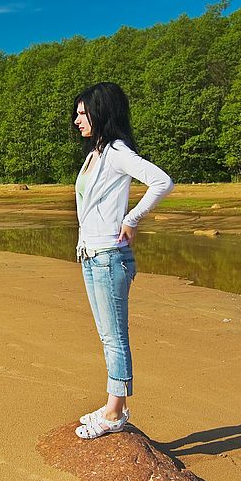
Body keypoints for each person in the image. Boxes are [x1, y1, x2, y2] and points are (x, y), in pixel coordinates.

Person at [72, 82, 174, 439]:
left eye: (84, 113)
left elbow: (162, 181)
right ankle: (115, 402)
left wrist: (131, 220)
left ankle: (115, 411)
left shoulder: (116, 151)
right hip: (92, 254)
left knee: (115, 337)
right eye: (77, 113)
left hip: (110, 257)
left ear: (101, 113)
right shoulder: (94, 154)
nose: (77, 120)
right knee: (106, 335)